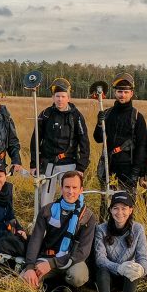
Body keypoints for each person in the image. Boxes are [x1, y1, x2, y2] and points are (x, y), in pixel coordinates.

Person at [21, 170, 97, 292]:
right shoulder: (47, 210)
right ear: (61, 188)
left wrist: (52, 264)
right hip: (47, 256)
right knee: (25, 281)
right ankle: (56, 287)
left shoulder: (88, 217)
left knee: (78, 276)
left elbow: (83, 252)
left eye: (74, 187)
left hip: (72, 260)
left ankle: (65, 285)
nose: (70, 191)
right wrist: (29, 266)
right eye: (67, 187)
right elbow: (36, 239)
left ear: (81, 189)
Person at [94, 190, 147, 292]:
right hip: (107, 278)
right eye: (116, 208)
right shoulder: (101, 229)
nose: (120, 212)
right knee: (102, 270)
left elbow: (144, 258)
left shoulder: (138, 229)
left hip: (127, 279)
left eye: (124, 208)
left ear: (130, 210)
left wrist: (141, 269)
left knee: (134, 268)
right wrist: (119, 268)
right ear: (110, 210)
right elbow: (100, 259)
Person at [30, 78, 90, 206]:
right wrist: (34, 164)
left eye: (63, 96)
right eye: (57, 96)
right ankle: (45, 223)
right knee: (45, 200)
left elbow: (84, 142)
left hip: (69, 164)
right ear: (53, 97)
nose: (60, 99)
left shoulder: (76, 116)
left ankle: (71, 223)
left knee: (71, 197)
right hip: (48, 164)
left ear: (68, 98)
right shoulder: (46, 114)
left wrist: (81, 167)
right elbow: (35, 140)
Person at [93, 73, 147, 193]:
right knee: (107, 203)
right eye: (119, 91)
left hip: (128, 169)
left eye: (126, 92)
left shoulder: (138, 117)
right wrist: (99, 123)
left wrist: (136, 172)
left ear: (131, 93)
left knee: (126, 207)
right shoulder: (107, 113)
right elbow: (98, 138)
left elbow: (142, 146)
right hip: (109, 167)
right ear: (115, 92)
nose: (122, 95)